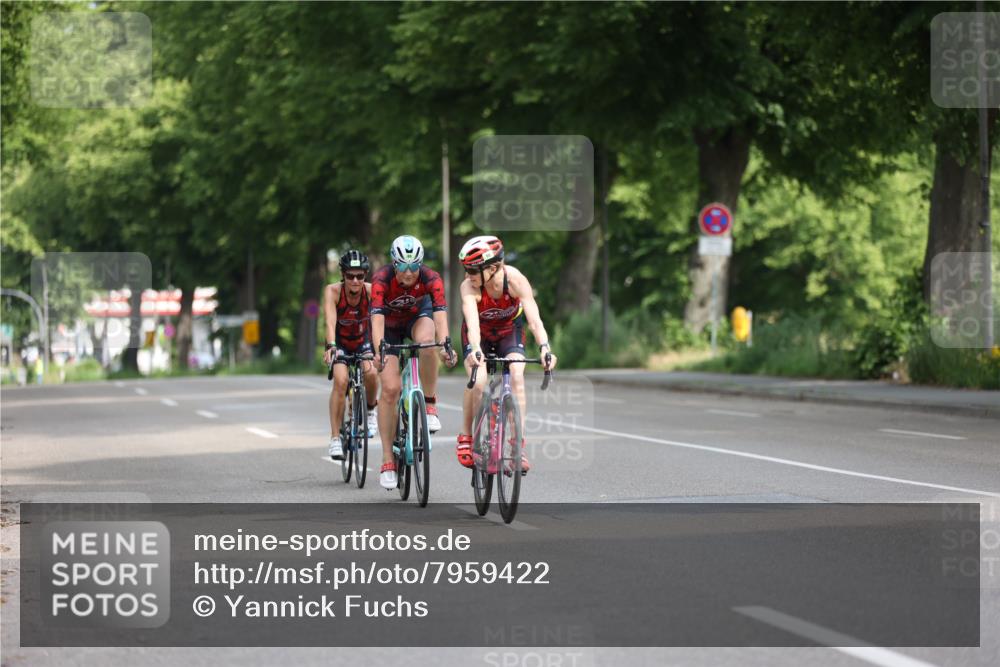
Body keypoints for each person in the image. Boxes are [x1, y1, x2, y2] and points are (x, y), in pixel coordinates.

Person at [455, 235, 557, 475]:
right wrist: (476, 349)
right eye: (466, 269)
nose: (467, 274)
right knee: (478, 382)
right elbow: (471, 321)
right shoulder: (468, 287)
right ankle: (468, 436)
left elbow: (534, 319)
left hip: (509, 331)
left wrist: (545, 347)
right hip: (478, 332)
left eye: (472, 269)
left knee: (517, 374)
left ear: (492, 267)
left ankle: (517, 446)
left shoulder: (515, 280)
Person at [370, 235, 457, 489]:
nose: (409, 273)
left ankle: (429, 405)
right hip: (388, 326)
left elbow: (440, 316)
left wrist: (446, 344)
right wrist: (379, 351)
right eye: (403, 266)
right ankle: (387, 458)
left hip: (416, 318)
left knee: (429, 344)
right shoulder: (381, 279)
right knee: (390, 389)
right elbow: (376, 320)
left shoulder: (431, 279)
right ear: (394, 263)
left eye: (414, 266)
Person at [322, 250, 379, 461]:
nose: (355, 280)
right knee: (341, 380)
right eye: (350, 276)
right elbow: (329, 321)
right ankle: (335, 437)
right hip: (340, 343)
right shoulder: (333, 291)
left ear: (365, 275)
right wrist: (331, 346)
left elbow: (380, 319)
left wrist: (380, 347)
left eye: (360, 276)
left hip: (364, 341)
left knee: (372, 373)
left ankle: (371, 410)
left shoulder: (372, 291)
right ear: (342, 274)